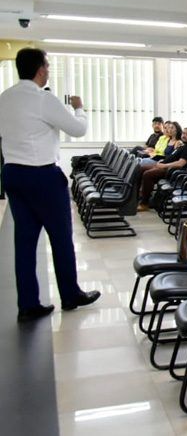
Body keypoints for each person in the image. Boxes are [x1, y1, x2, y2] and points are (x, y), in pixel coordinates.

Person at [0, 48, 101, 321]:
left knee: (24, 241)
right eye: (47, 66)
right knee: (60, 237)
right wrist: (79, 108)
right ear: (41, 69)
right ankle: (70, 295)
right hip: (42, 175)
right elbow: (78, 129)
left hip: (12, 173)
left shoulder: (5, 98)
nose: (48, 70)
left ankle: (28, 304)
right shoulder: (43, 99)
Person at [138, 127, 187, 210]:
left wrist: (164, 165)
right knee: (141, 169)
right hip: (164, 166)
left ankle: (144, 203)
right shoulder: (181, 145)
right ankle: (139, 197)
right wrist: (162, 161)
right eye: (183, 133)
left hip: (171, 171)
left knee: (148, 175)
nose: (184, 135)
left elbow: (180, 163)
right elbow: (171, 157)